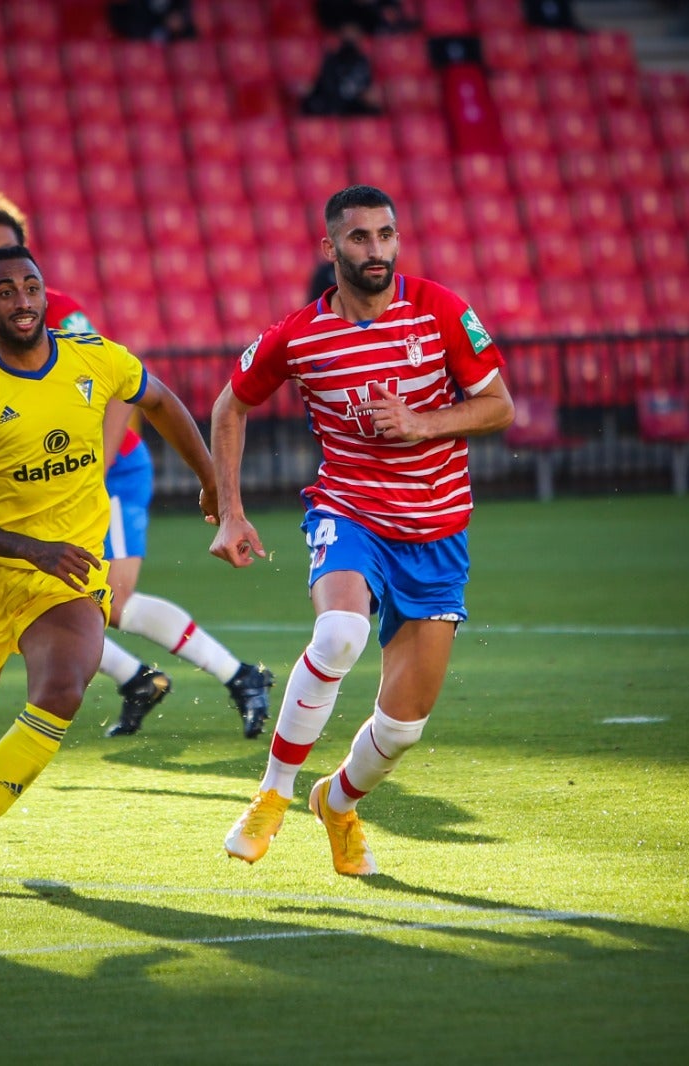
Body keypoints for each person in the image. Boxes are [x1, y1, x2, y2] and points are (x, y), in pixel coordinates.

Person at [0, 193, 272, 739]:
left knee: (105, 600)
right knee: (66, 593)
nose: (1, 260)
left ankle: (233, 675)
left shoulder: (61, 309)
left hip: (107, 471)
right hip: (42, 486)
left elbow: (117, 386)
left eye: (8, 248)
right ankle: (142, 677)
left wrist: (90, 470)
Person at [210, 185, 513, 876]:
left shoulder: (440, 310)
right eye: (359, 238)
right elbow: (230, 405)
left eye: (385, 235)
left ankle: (337, 803)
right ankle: (272, 794)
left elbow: (500, 406)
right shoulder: (299, 334)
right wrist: (230, 509)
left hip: (437, 533)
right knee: (339, 634)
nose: (375, 250)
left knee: (404, 727)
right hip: (350, 514)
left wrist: (422, 423)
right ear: (331, 248)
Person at [0, 244, 218, 889]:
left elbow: (160, 400)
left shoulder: (94, 357)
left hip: (70, 567)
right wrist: (31, 549)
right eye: (5, 291)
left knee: (62, 691)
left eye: (32, 287)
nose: (23, 301)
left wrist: (212, 480)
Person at [301, 23, 383, 116]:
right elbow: (327, 86)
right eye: (348, 33)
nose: (351, 37)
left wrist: (366, 95)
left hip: (354, 105)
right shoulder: (331, 59)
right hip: (333, 103)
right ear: (341, 35)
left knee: (373, 112)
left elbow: (367, 85)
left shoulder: (363, 61)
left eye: (354, 33)